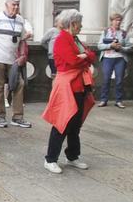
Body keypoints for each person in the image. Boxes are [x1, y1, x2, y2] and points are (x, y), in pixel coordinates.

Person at [41, 9, 95, 174]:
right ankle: (50, 158)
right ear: (72, 23)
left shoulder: (74, 39)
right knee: (62, 122)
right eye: (79, 22)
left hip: (78, 86)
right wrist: (84, 57)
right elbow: (72, 61)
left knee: (75, 124)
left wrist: (84, 56)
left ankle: (72, 155)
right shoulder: (62, 38)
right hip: (67, 86)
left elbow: (91, 55)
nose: (81, 26)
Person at [0, 0, 33, 128]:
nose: (16, 7)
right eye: (13, 4)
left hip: (14, 60)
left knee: (19, 85)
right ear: (6, 5)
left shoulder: (20, 20)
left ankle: (18, 116)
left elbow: (22, 39)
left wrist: (22, 54)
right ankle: (0, 116)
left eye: (18, 4)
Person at [97, 13, 132, 108]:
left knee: (119, 80)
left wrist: (121, 48)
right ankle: (103, 100)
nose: (118, 22)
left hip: (120, 58)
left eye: (120, 20)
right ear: (111, 21)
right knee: (106, 79)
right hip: (107, 58)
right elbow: (99, 46)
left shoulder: (124, 33)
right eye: (116, 20)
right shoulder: (105, 32)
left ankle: (119, 100)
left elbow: (129, 47)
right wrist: (110, 46)